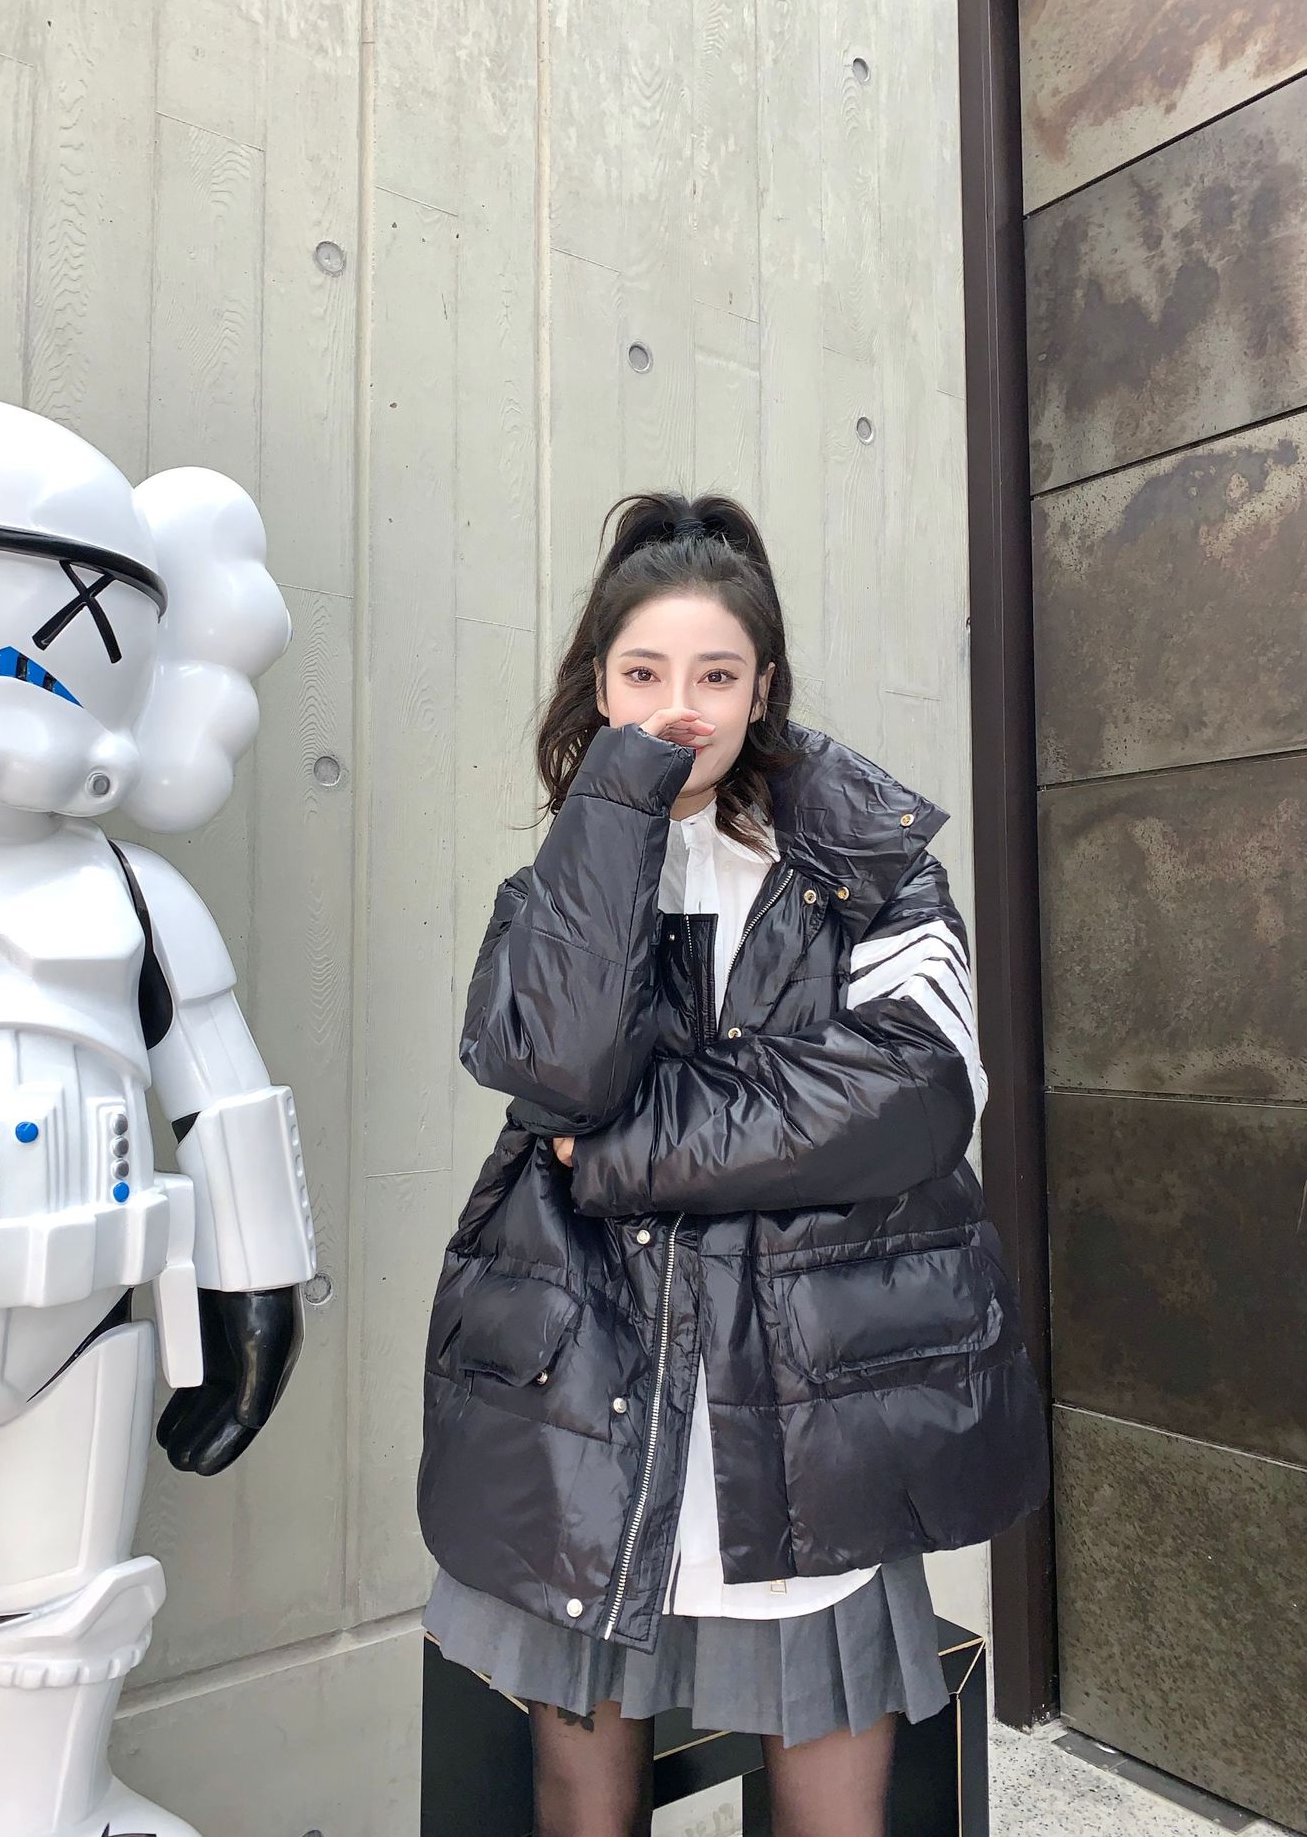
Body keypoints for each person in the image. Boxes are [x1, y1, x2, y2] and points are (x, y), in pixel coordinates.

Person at [417, 492, 1049, 1837]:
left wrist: (626, 1146)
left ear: (763, 690)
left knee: (831, 1791)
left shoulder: (871, 871)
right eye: (644, 673)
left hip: (807, 1395)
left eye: (715, 675)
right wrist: (612, 809)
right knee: (581, 1796)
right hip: (592, 1388)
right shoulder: (557, 890)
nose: (679, 707)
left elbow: (917, 1099)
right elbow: (559, 1072)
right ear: (600, 684)